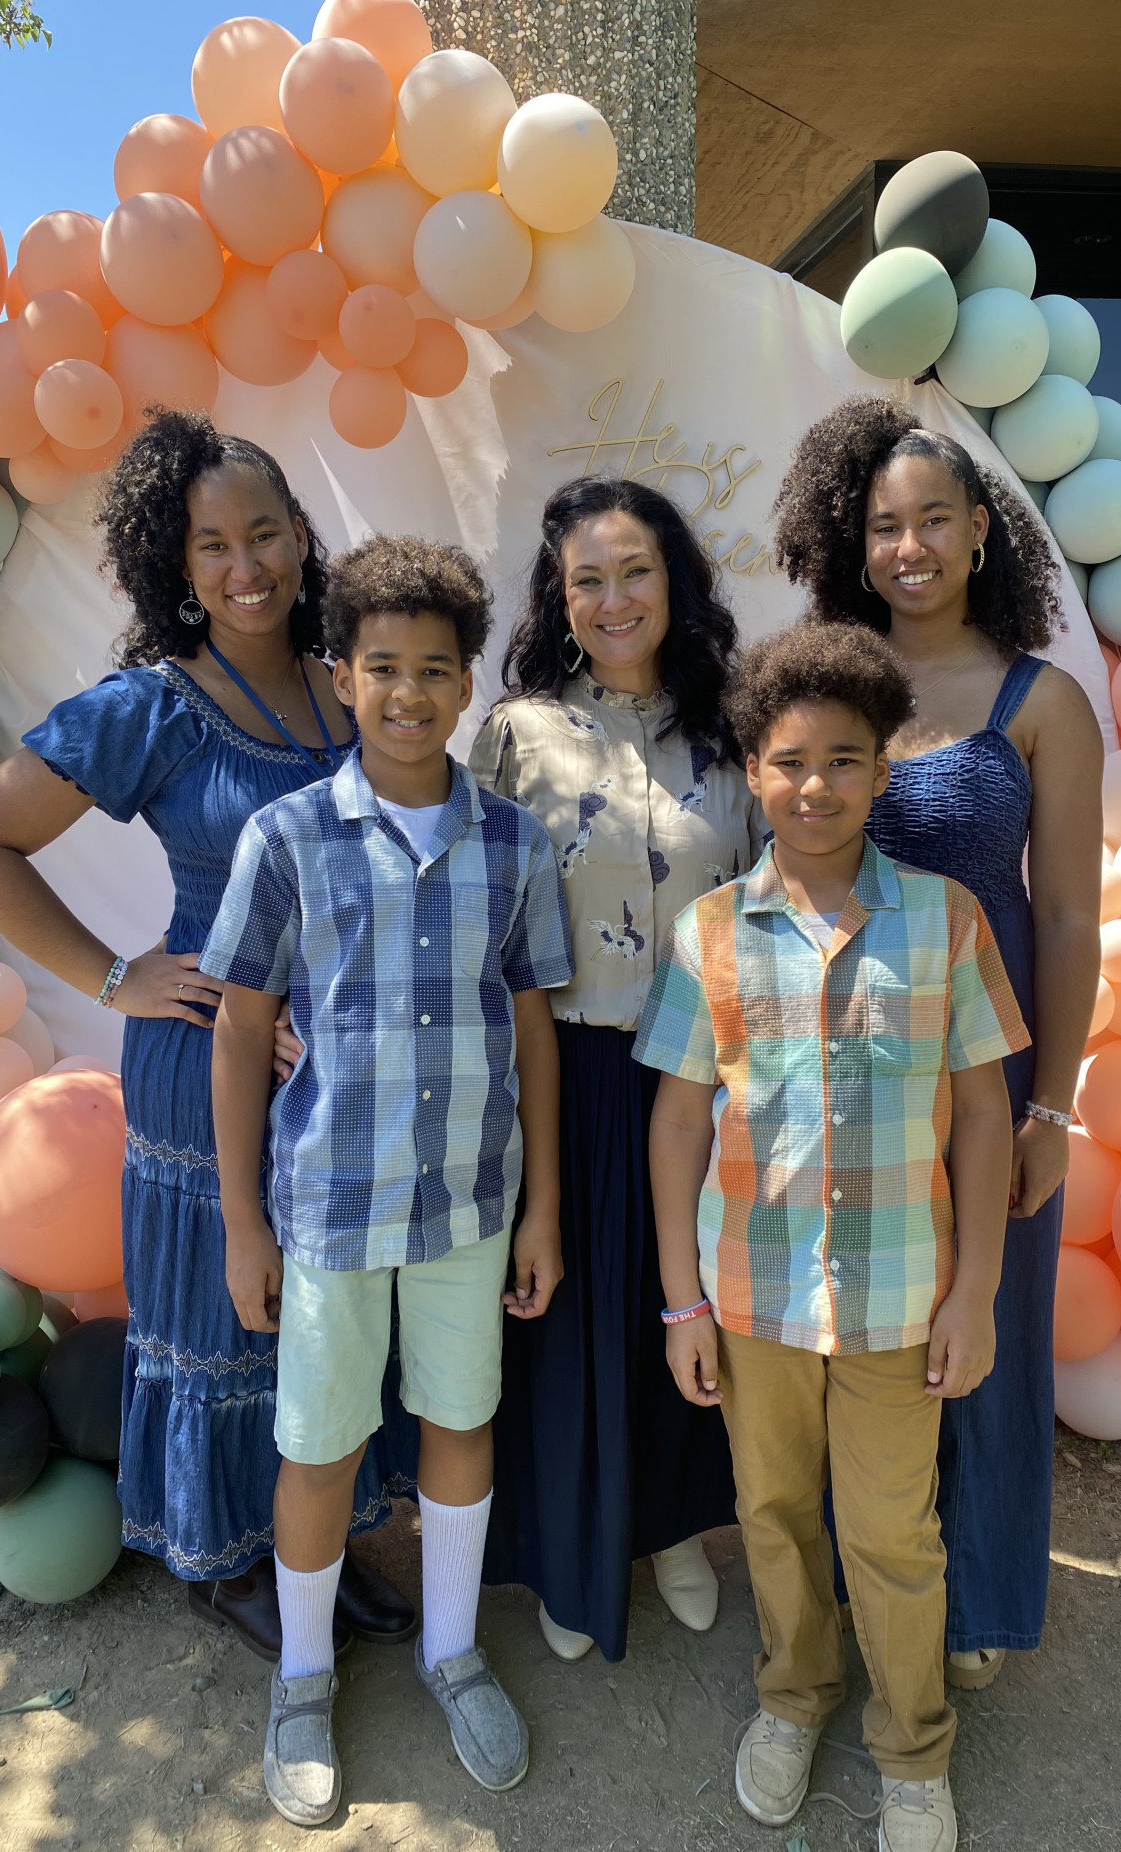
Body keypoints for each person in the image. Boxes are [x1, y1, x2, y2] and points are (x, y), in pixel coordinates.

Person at [0, 409, 417, 1660]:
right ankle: (231, 1559)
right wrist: (112, 976)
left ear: (302, 536)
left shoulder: (350, 677)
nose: (246, 565)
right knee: (227, 1315)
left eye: (264, 532)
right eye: (213, 545)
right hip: (209, 1057)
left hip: (343, 1057)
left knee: (328, 1315)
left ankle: (320, 1542)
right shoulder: (153, 710)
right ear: (179, 565)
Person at [640, 625, 1026, 1852]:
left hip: (901, 1298)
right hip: (752, 1295)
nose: (816, 786)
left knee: (893, 1531)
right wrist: (681, 1303)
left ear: (881, 772)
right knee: (771, 1512)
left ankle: (913, 1748)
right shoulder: (709, 932)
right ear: (753, 770)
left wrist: (976, 1292)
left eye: (845, 761)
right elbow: (678, 1121)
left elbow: (983, 1112)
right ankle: (795, 1693)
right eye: (791, 762)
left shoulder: (947, 920)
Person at [202, 534, 573, 1826]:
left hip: (471, 1201)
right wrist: (243, 1221)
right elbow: (242, 1027)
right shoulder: (289, 838)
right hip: (331, 1208)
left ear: (467, 683)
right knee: (320, 1443)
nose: (408, 692)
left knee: (460, 1422)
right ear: (342, 676)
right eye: (381, 668)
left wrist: (543, 1208)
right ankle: (302, 1677)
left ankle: (452, 1650)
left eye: (433, 669)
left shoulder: (515, 844)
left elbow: (532, 1027)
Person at [772, 397, 1103, 1688]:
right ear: (851, 543)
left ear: (981, 532)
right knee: (859, 1325)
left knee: (987, 1318)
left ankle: (976, 1597)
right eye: (881, 525)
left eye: (932, 521)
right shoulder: (821, 684)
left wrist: (1051, 1108)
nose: (907, 547)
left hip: (991, 1065)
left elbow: (1066, 915)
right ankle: (862, 1580)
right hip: (844, 1062)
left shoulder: (1043, 701)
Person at [468, 475, 764, 1664]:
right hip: (568, 1074)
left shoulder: (734, 729)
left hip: (701, 1077)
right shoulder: (517, 733)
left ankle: (670, 1526)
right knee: (568, 1320)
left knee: (678, 1312)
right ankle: (568, 1552)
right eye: (586, 580)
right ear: (559, 597)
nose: (613, 598)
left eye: (634, 570)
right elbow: (476, 916)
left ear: (674, 578)